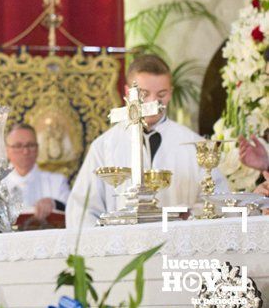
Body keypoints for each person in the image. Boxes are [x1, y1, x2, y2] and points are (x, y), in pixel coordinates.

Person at [66, 54, 229, 227]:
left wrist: (190, 215)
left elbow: (218, 202)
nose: (153, 102)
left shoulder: (193, 144)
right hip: (124, 248)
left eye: (161, 94)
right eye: (144, 94)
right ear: (128, 93)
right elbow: (82, 210)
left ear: (170, 93)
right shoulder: (104, 146)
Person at [0, 124, 70, 229]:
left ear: (37, 148)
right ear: (7, 150)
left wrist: (54, 203)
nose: (25, 151)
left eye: (30, 145)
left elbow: (74, 215)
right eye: (18, 146)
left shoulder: (57, 182)